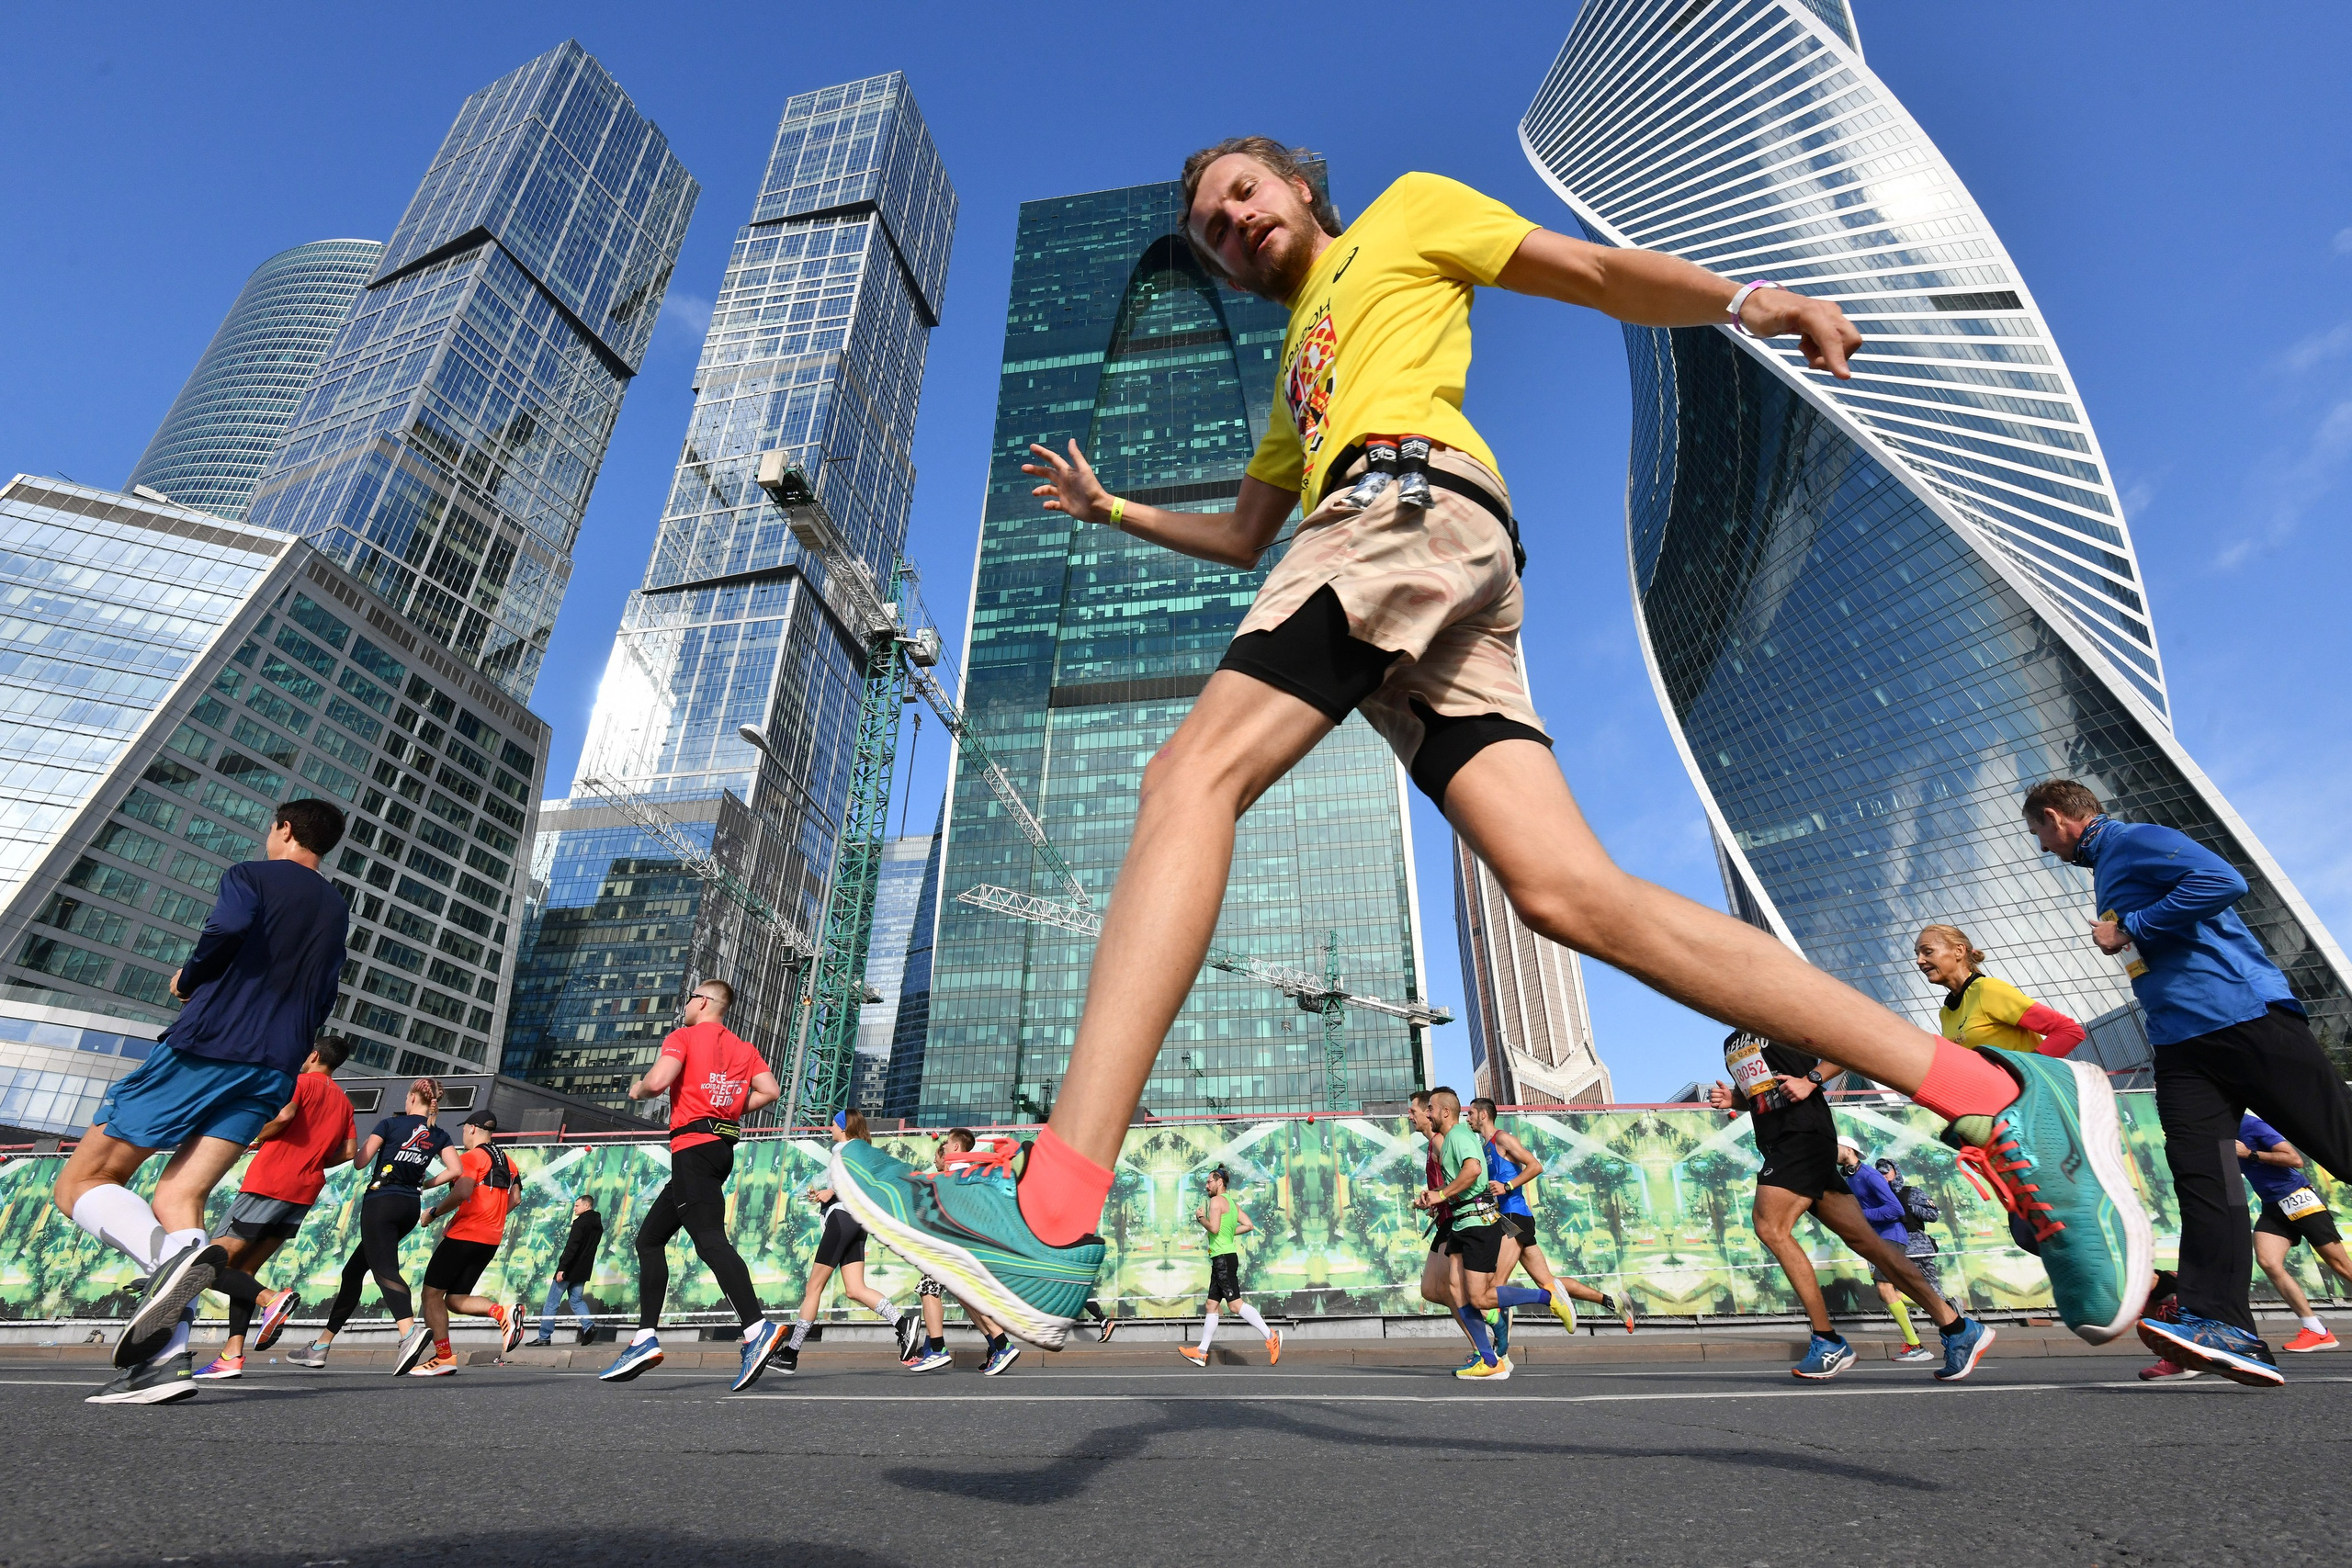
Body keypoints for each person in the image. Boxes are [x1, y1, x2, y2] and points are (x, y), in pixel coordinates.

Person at [828, 138, 2147, 1352]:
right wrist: (1113, 506)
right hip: (1410, 552)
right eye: (1210, 228)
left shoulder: (1404, 214)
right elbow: (1243, 536)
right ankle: (1987, 1090)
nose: (1228, 224)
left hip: (1403, 507)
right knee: (1567, 892)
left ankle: (1055, 1203)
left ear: (1300, 188)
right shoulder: (1302, 366)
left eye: (1243, 193)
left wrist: (1745, 301)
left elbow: (1587, 271)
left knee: (1191, 775)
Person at [2026, 777, 2352, 1386]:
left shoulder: (2134, 840)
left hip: (2242, 1017)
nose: (2043, 846)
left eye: (2039, 833)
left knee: (2342, 1144)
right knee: (2203, 1177)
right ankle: (2223, 1322)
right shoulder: (2107, 867)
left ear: (2055, 817)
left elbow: (2224, 881)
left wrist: (2132, 926)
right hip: (2180, 1044)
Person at [59, 800, 349, 1404]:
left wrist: (191, 978)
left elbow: (226, 929)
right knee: (177, 1196)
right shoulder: (334, 906)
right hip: (273, 1068)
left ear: (285, 830)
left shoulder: (250, 874)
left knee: (83, 1181)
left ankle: (165, 1268)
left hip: (210, 1046)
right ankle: (165, 1361)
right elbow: (324, 990)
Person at [1709, 1031, 1994, 1381]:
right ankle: (1957, 1328)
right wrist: (1735, 1099)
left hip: (1802, 1136)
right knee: (1870, 1244)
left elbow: (1849, 1044)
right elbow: (1765, 1094)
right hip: (1780, 1143)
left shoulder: (1777, 1015)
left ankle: (1828, 1340)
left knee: (1770, 1226)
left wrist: (1812, 1080)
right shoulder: (1731, 1041)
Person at [599, 979, 784, 1391]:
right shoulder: (744, 1048)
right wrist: (732, 1108)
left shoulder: (682, 1036)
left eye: (690, 999)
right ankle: (645, 1337)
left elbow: (659, 1081)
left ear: (702, 1001)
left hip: (692, 1147)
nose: (685, 1006)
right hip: (719, 1149)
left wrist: (638, 1089)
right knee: (649, 1239)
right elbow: (769, 1091)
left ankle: (757, 1329)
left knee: (710, 1241)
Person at [192, 1036, 357, 1381]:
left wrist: (255, 1136)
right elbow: (349, 1151)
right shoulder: (343, 1101)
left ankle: (270, 1300)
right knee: (242, 1272)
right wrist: (312, 1157)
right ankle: (231, 1356)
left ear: (313, 1055)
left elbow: (285, 1115)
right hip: (303, 1191)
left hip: (270, 1183)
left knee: (207, 1265)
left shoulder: (299, 1082)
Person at [297, 1076, 460, 1373]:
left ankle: (408, 1333)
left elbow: (360, 1162)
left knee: (384, 1270)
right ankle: (320, 1346)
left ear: (412, 1097)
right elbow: (456, 1170)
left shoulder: (390, 1124)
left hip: (381, 1203)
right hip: (409, 1206)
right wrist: (425, 1182)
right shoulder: (439, 1135)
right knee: (354, 1272)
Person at [1464, 1097, 1633, 1338]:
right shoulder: (1484, 1148)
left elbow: (1535, 1166)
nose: (1467, 1118)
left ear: (1483, 1115)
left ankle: (1499, 1346)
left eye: (1470, 1113)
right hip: (1507, 1218)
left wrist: (1508, 1186)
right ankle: (1613, 1303)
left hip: (1514, 1218)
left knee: (1494, 1288)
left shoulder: (1502, 1138)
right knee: (1549, 1284)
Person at [772, 1111, 908, 1376]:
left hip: (843, 1220)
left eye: (833, 1123)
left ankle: (791, 1354)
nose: (830, 1127)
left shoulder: (843, 1151)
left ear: (844, 1128)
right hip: (857, 1222)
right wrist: (828, 1194)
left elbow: (851, 1183)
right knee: (855, 1289)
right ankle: (902, 1324)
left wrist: (832, 1193)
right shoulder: (860, 1151)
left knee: (814, 1287)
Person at [405, 1111, 525, 1377]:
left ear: (472, 1129)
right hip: (490, 1239)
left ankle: (444, 1358)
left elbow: (462, 1191)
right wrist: (491, 1217)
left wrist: (434, 1213)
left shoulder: (472, 1157)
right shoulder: (509, 1161)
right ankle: (501, 1312)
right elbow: (515, 1199)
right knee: (456, 1299)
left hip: (464, 1236)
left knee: (431, 1295)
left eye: (464, 1130)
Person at [900, 1131, 1020, 1374]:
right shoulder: (969, 1172)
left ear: (955, 1146)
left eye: (943, 1149)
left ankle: (937, 1349)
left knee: (928, 1287)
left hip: (962, 1247)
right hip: (972, 1247)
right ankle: (1000, 1346)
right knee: (968, 1298)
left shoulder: (958, 1173)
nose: (940, 1155)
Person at [1414, 1088, 1511, 1380]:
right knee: (1435, 1290)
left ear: (1435, 1112)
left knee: (1463, 1292)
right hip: (1452, 1218)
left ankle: (1486, 1350)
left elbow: (1470, 1173)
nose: (1414, 1115)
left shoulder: (1445, 1139)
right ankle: (1486, 1340)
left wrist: (1441, 1196)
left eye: (1417, 1110)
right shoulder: (1438, 1141)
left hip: (1464, 1219)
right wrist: (1434, 1200)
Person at [2239, 1113, 2352, 1353]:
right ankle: (2316, 1330)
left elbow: (2294, 1159)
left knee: (2341, 1266)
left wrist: (2250, 1154)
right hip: (2272, 1205)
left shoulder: (2251, 1124)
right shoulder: (2218, 1132)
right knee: (2268, 1262)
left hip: (2297, 1197)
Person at [1916, 924, 2086, 1059]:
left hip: (2029, 1100)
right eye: (1917, 954)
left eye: (1928, 952)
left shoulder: (1988, 990)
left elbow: (2068, 1031)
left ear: (1959, 951)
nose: (1919, 961)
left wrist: (2026, 1075)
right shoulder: (1945, 1013)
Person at [1838, 1140, 1934, 1365]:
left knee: (1885, 1288)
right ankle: (1943, 1306)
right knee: (1887, 1293)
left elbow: (1895, 1209)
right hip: (1876, 1238)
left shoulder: (1870, 1176)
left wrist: (1861, 1216)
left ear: (1849, 1150)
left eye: (1835, 1147)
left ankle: (1916, 1346)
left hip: (1892, 1235)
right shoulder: (1850, 1177)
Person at [1179, 1165, 1281, 1368]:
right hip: (1223, 1257)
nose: (1206, 1185)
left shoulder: (1216, 1201)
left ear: (1220, 1182)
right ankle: (1201, 1352)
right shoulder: (1232, 1204)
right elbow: (1249, 1225)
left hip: (1223, 1258)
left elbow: (1214, 1227)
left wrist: (1201, 1218)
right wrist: (1227, 1234)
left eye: (1209, 1181)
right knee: (1211, 1305)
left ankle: (1271, 1336)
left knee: (1235, 1305)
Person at [1874, 1156, 1950, 1361]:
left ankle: (1950, 1322)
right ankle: (1946, 1307)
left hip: (1917, 1247)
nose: (1883, 1176)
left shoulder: (1910, 1192)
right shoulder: (1878, 1195)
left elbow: (1933, 1214)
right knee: (1887, 1291)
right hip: (1892, 1247)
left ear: (1895, 1172)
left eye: (1886, 1172)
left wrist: (1906, 1207)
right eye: (1879, 1173)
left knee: (1929, 1288)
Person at [531, 1196, 603, 1347]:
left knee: (552, 1302)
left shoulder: (580, 1223)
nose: (574, 1208)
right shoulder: (598, 1225)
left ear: (586, 1206)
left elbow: (572, 1247)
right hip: (583, 1270)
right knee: (576, 1300)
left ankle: (544, 1336)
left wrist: (562, 1268)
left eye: (577, 1206)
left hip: (569, 1270)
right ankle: (589, 1327)